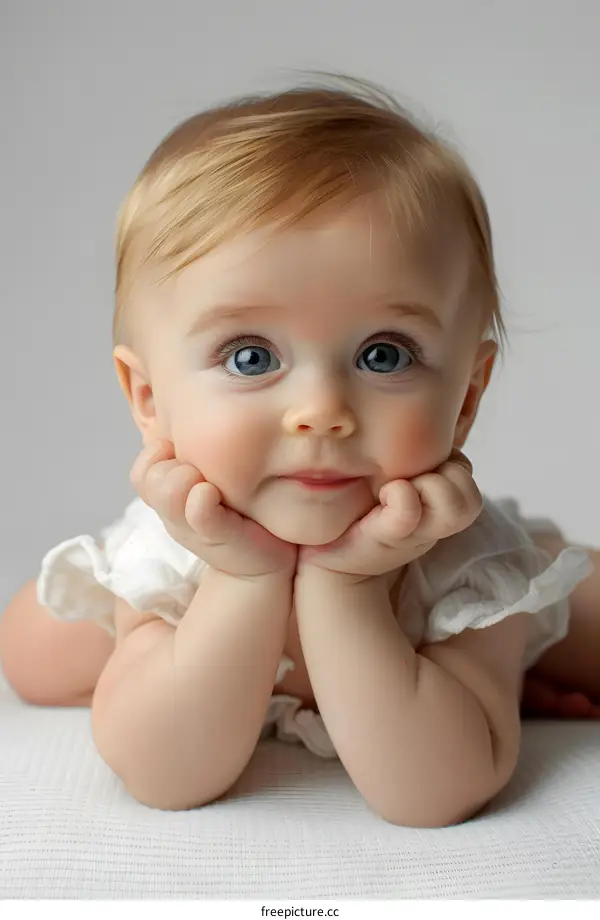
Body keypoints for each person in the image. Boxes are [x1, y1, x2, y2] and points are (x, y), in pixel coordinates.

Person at [1, 79, 598, 827]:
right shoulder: (170, 556)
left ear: (467, 396)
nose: (322, 412)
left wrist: (348, 588)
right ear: (149, 398)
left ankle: (514, 652)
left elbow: (436, 796)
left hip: (425, 572)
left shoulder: (464, 568)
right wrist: (243, 578)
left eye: (384, 355)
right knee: (32, 650)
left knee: (585, 614)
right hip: (209, 565)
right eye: (251, 357)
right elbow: (165, 776)